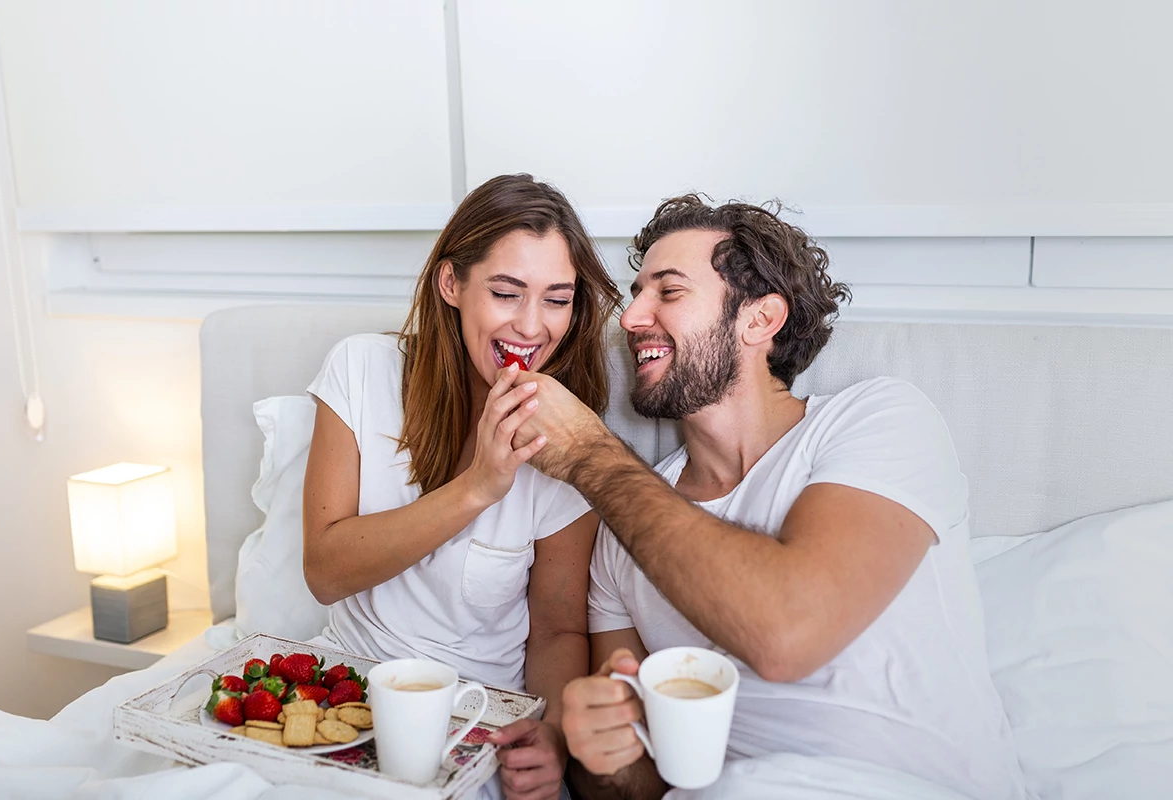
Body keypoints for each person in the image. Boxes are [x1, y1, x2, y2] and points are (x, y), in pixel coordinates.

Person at [504, 195, 1027, 799]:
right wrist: (601, 753)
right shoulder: (622, 527)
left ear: (760, 320)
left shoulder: (877, 421)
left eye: (668, 292)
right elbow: (633, 787)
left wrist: (591, 456)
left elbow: (788, 635)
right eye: (636, 293)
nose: (630, 318)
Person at [301, 174, 623, 800]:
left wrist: (552, 737)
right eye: (506, 293)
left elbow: (557, 630)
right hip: (345, 693)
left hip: (477, 723)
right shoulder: (361, 369)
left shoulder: (572, 437)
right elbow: (324, 571)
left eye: (557, 300)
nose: (531, 326)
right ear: (451, 283)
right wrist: (478, 487)